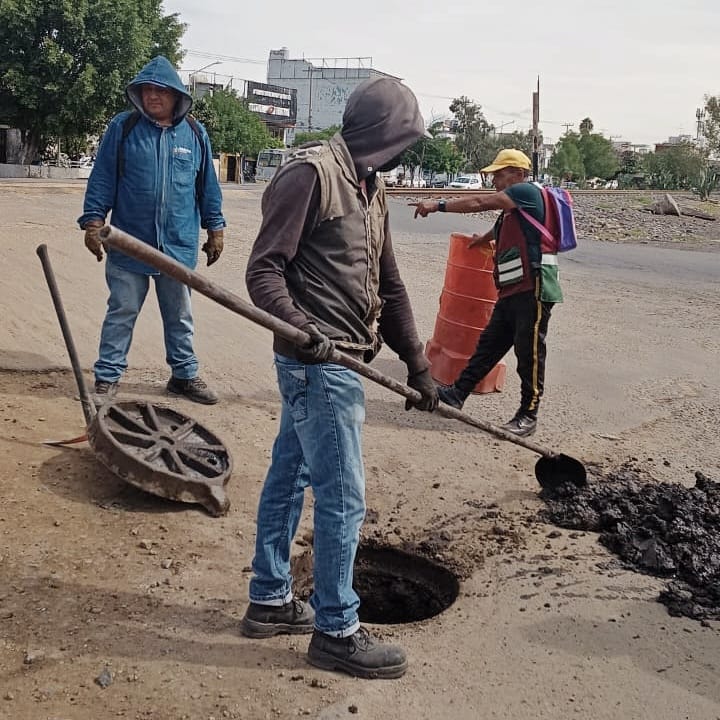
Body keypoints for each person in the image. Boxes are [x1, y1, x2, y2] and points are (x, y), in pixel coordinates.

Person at [242, 77, 439, 679]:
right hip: (320, 366)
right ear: (385, 135)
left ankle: (270, 598)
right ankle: (336, 629)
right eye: (404, 141)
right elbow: (263, 272)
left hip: (344, 356)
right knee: (343, 496)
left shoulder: (369, 186)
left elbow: (393, 284)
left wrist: (419, 362)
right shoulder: (310, 176)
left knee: (290, 474)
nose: (405, 155)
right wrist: (302, 326)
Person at [78, 55, 226, 405]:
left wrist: (215, 227)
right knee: (122, 311)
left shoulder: (194, 133)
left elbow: (207, 186)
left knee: (180, 315)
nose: (152, 97)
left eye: (160, 91)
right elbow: (102, 178)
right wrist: (93, 222)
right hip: (129, 244)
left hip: (177, 246)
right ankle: (108, 376)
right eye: (146, 91)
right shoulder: (123, 128)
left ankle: (183, 376)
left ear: (176, 96)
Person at [411, 149, 563, 437]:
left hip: (535, 287)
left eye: (499, 174)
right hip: (512, 288)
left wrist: (438, 204)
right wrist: (482, 240)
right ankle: (456, 394)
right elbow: (501, 226)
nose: (494, 180)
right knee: (489, 345)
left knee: (528, 352)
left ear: (518, 174)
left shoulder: (527, 192)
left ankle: (528, 415)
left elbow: (480, 202)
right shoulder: (514, 206)